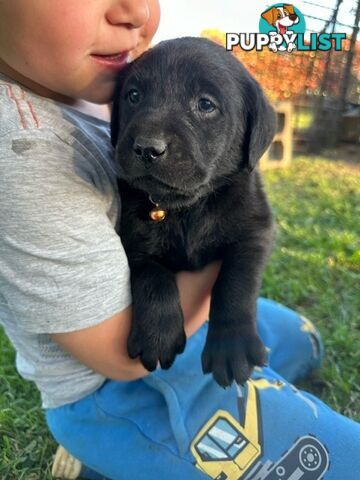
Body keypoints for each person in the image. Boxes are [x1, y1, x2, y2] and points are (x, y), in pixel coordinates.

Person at [0, 1, 359, 479]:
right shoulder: (25, 157)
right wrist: (159, 283)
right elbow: (123, 336)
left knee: (300, 341)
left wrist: (234, 316)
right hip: (115, 386)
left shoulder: (89, 88)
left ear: (253, 134)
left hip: (191, 320)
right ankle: (110, 451)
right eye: (136, 100)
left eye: (205, 106)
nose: (149, 136)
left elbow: (253, 232)